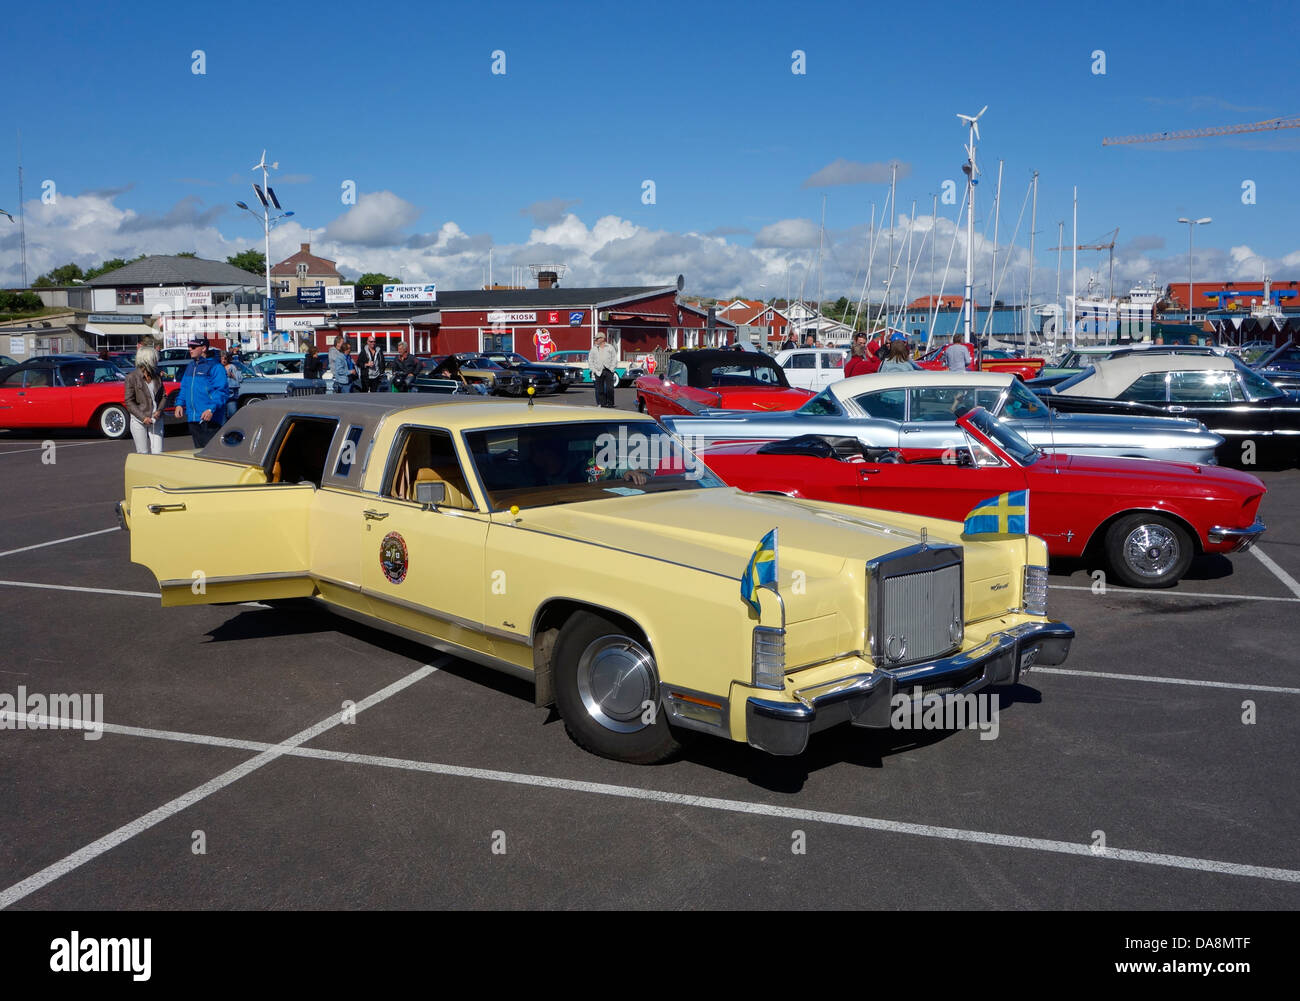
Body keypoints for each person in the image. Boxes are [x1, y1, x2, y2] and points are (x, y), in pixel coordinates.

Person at [173, 338, 229, 447]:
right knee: (198, 451)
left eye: (193, 347)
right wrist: (179, 404)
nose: (190, 349)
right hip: (193, 417)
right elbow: (184, 387)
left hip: (209, 418)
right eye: (189, 347)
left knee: (211, 453)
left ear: (203, 348)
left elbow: (221, 391)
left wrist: (211, 409)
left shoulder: (215, 367)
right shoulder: (190, 366)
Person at [125, 344, 166, 454]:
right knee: (142, 453)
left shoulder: (157, 376)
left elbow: (163, 396)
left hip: (156, 419)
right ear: (147, 360)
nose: (157, 361)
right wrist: (143, 417)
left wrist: (159, 410)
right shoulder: (131, 377)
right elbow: (129, 401)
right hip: (139, 420)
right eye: (154, 359)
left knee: (158, 452)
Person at [588, 333, 619, 408]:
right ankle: (603, 404)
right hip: (598, 371)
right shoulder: (594, 349)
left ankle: (610, 403)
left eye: (597, 339)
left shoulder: (610, 347)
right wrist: (594, 370)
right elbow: (590, 360)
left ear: (602, 338)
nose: (596, 340)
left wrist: (612, 368)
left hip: (608, 370)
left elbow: (614, 358)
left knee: (610, 389)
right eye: (596, 339)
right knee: (600, 389)